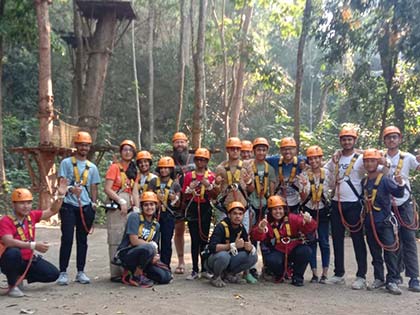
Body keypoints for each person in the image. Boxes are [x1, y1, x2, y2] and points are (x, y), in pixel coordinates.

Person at [0, 180, 67, 297]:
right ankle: (13, 285)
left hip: (28, 259)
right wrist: (33, 245)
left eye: (28, 203)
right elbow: (8, 242)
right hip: (10, 259)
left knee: (53, 274)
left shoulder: (31, 216)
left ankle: (18, 276)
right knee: (13, 252)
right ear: (14, 204)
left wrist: (60, 196)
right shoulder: (6, 220)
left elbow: (52, 211)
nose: (26, 206)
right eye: (21, 203)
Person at [324, 127, 368, 289]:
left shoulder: (362, 158)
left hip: (354, 203)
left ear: (354, 141)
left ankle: (361, 275)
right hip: (337, 203)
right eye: (344, 139)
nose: (347, 142)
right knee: (337, 238)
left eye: (350, 139)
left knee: (357, 239)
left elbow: (377, 164)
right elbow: (324, 170)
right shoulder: (336, 158)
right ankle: (339, 273)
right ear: (340, 141)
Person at [56, 131, 101, 285]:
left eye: (86, 145)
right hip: (69, 205)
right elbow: (61, 183)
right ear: (76, 146)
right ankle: (63, 272)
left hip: (85, 206)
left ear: (89, 147)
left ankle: (80, 272)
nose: (84, 147)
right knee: (67, 238)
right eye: (81, 144)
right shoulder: (66, 163)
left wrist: (94, 204)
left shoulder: (92, 167)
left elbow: (94, 187)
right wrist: (70, 189)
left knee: (82, 240)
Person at [361, 148, 405, 295]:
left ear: (378, 162)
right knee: (375, 252)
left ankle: (392, 279)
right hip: (370, 221)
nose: (369, 164)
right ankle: (379, 278)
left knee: (390, 251)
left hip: (384, 222)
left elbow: (398, 193)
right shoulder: (364, 181)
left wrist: (400, 183)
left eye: (372, 160)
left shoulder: (385, 180)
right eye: (366, 161)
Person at [382, 126, 420, 292]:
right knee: (391, 242)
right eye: (389, 137)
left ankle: (414, 277)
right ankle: (395, 275)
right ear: (384, 140)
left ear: (400, 139)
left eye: (394, 137)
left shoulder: (408, 157)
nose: (391, 140)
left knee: (409, 239)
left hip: (404, 203)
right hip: (386, 205)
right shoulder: (380, 157)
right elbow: (362, 155)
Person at [252, 195, 316, 286]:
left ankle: (297, 277)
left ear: (284, 209)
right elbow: (257, 237)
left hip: (294, 248)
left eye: (280, 209)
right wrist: (260, 229)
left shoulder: (293, 218)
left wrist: (309, 221)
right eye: (274, 209)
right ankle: (280, 274)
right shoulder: (266, 223)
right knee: (272, 260)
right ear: (270, 211)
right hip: (278, 250)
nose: (278, 212)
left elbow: (308, 229)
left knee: (306, 251)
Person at [114, 192, 171, 286]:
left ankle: (138, 273)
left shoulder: (156, 225)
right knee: (149, 248)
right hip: (128, 254)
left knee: (165, 277)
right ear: (142, 206)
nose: (149, 207)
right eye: (146, 205)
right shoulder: (134, 217)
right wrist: (152, 250)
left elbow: (155, 245)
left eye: (152, 204)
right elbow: (134, 240)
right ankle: (136, 276)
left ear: (156, 206)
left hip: (145, 257)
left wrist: (155, 257)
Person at [104, 139, 140, 282]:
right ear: (121, 152)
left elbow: (135, 191)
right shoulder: (114, 168)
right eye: (125, 149)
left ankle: (127, 270)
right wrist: (120, 200)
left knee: (129, 237)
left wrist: (137, 208)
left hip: (130, 207)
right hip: (116, 207)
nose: (127, 152)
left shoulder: (133, 170)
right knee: (115, 238)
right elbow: (107, 188)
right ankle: (116, 273)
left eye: (130, 150)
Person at [182, 148, 219, 280]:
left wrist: (208, 186)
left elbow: (215, 195)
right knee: (194, 239)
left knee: (204, 238)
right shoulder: (188, 176)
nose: (200, 162)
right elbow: (184, 196)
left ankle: (204, 268)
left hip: (205, 207)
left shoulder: (211, 176)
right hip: (193, 207)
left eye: (203, 160)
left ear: (207, 161)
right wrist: (190, 189)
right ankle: (194, 269)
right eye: (198, 159)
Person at [206, 201, 258, 288]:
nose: (237, 216)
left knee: (253, 256)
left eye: (240, 214)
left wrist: (249, 248)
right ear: (229, 215)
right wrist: (231, 245)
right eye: (234, 213)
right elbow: (212, 247)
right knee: (224, 255)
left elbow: (246, 245)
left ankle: (229, 275)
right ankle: (216, 277)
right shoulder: (221, 226)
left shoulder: (241, 228)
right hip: (214, 260)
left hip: (230, 259)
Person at [300, 145, 332, 284]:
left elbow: (334, 187)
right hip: (309, 210)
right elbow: (302, 197)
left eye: (316, 158)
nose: (313, 161)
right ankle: (314, 273)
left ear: (320, 159)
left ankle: (325, 273)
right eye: (311, 159)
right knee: (311, 241)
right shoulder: (304, 175)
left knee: (324, 242)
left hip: (323, 209)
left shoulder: (328, 173)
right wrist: (303, 186)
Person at [247, 137, 276, 280]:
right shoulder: (248, 166)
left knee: (265, 237)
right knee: (252, 237)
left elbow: (272, 189)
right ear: (254, 151)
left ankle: (266, 267)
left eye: (264, 149)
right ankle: (251, 267)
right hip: (251, 204)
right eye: (258, 149)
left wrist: (269, 206)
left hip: (263, 205)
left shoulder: (269, 169)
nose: (261, 152)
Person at [148, 156, 181, 268]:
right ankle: (153, 264)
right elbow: (147, 197)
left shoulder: (175, 185)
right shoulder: (153, 182)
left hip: (168, 215)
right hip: (154, 215)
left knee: (166, 242)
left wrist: (174, 199)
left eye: (166, 168)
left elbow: (178, 204)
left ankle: (165, 265)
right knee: (154, 241)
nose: (163, 170)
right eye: (161, 168)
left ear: (171, 169)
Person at [215, 137, 253, 224]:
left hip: (242, 208)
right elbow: (216, 193)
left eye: (237, 149)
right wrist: (216, 184)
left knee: (243, 235)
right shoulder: (220, 168)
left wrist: (248, 182)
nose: (235, 151)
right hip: (226, 208)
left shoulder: (246, 166)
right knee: (224, 235)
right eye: (232, 149)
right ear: (227, 150)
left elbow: (251, 190)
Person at [171, 132, 195, 275]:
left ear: (187, 143)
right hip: (177, 202)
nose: (180, 145)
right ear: (173, 144)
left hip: (192, 200)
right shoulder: (169, 160)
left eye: (182, 142)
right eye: (177, 142)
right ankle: (180, 261)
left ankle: (197, 263)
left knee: (195, 232)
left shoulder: (195, 158)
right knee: (178, 231)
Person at [266, 137, 305, 214]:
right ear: (280, 150)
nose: (287, 151)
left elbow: (316, 162)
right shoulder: (274, 160)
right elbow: (260, 159)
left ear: (295, 150)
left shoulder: (301, 161)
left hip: (295, 202)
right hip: (278, 203)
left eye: (290, 149)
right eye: (284, 149)